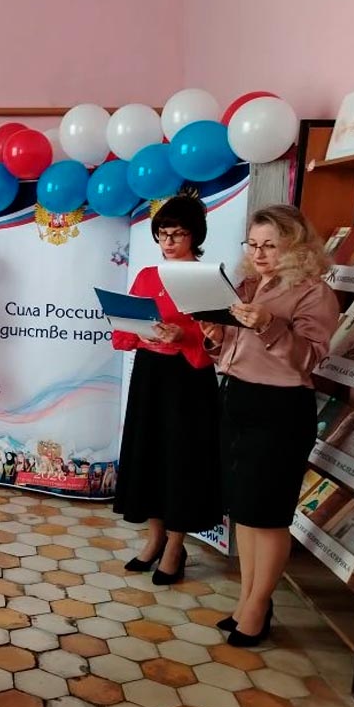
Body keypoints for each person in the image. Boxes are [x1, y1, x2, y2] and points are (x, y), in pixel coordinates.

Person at [199, 204, 339, 647]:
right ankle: (246, 600)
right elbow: (233, 351)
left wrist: (269, 325)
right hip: (236, 397)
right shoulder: (246, 285)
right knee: (244, 510)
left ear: (296, 247)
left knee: (268, 515)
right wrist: (215, 338)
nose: (258, 254)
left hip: (280, 408)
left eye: (270, 246)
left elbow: (310, 359)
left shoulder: (314, 293)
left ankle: (259, 607)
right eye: (253, 244)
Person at [111, 195, 222, 585]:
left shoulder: (207, 278)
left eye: (178, 234)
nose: (169, 241)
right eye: (162, 233)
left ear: (195, 235)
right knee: (149, 454)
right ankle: (154, 538)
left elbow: (218, 340)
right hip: (150, 374)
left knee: (181, 460)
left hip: (187, 378)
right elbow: (124, 331)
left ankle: (176, 545)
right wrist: (139, 333)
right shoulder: (146, 275)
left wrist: (183, 336)